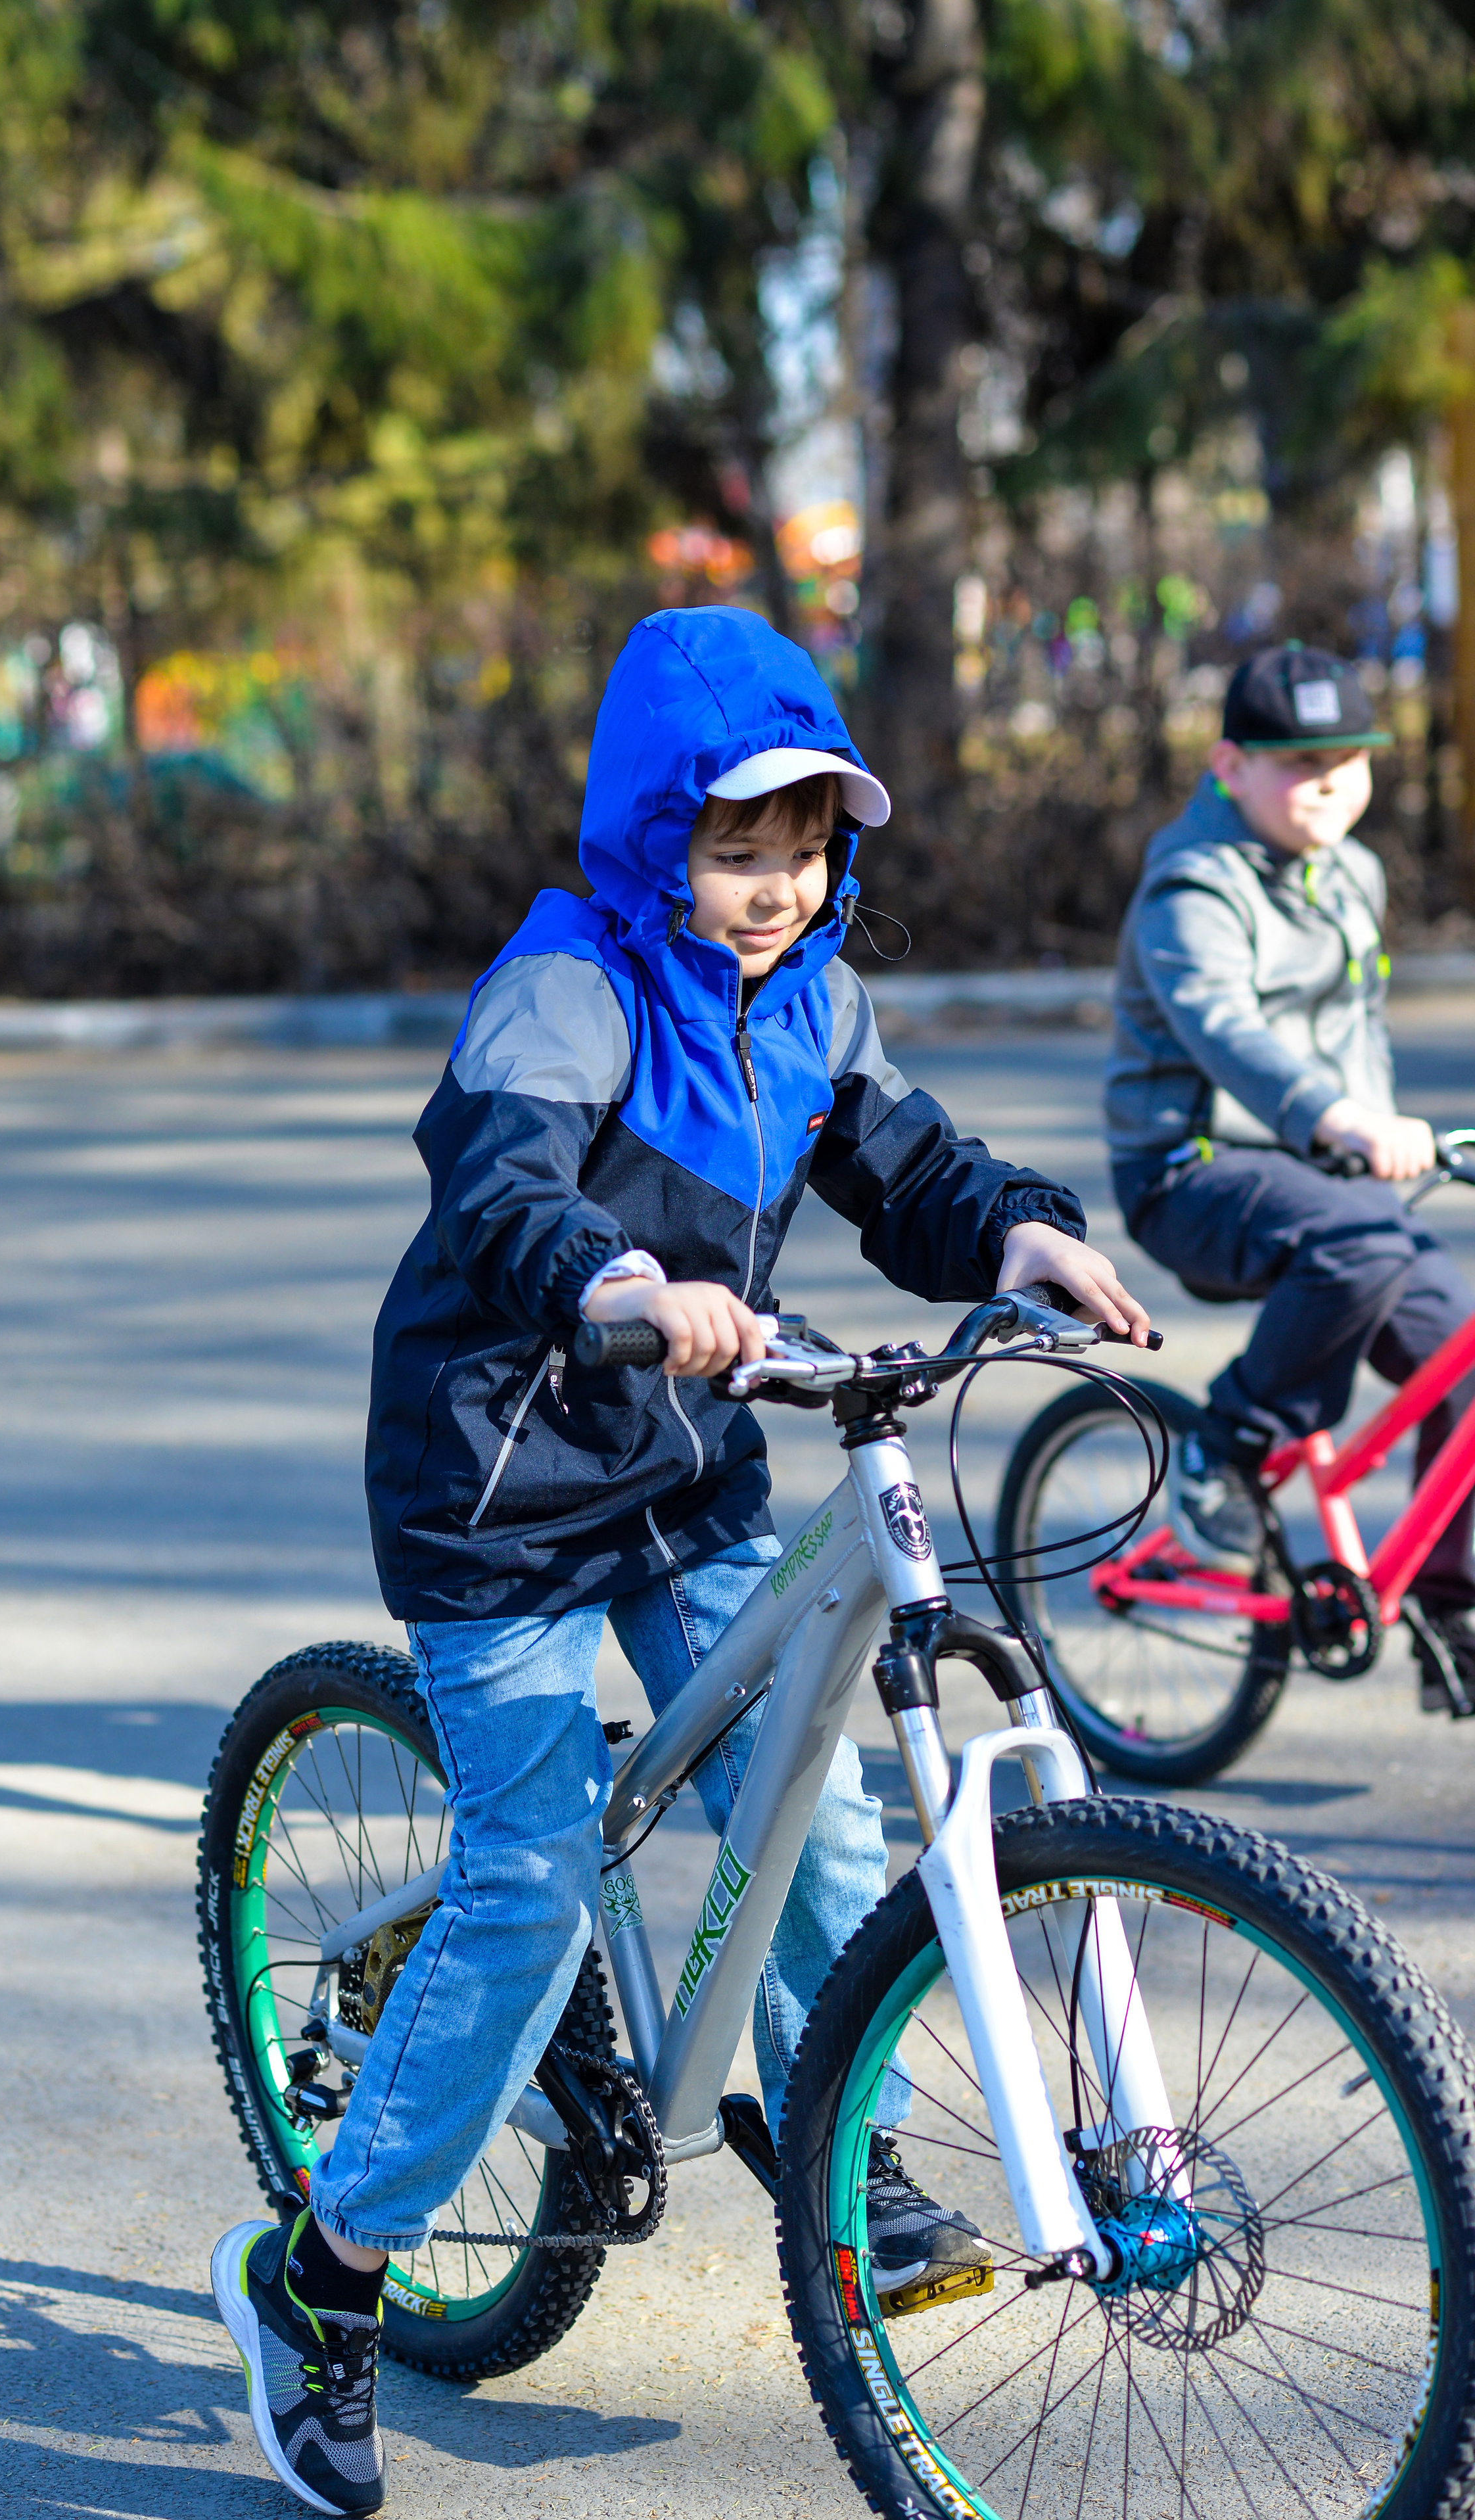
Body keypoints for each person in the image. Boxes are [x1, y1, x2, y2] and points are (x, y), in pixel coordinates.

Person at [213, 603, 1152, 2515]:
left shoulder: (814, 990)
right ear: (654, 834)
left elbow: (912, 1171)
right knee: (537, 1879)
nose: (773, 886)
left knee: (809, 1796)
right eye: (735, 845)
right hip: (500, 1486)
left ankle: (839, 2147)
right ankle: (320, 2279)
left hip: (683, 1460)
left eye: (805, 847)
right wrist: (625, 1280)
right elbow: (500, 1192)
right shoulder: (566, 983)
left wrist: (1023, 1240)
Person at [1106, 639, 1475, 1706]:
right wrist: (1342, 1118)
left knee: (1461, 1357)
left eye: (1349, 763)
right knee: (1354, 1246)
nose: (1328, 785)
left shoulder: (1351, 871)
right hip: (1195, 1168)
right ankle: (1228, 1445)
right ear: (1230, 764)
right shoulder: (1192, 885)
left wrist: (1386, 1139)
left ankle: (1448, 1609)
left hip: (1329, 1171)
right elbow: (1227, 1031)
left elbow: (1351, 1032)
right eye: (1298, 764)